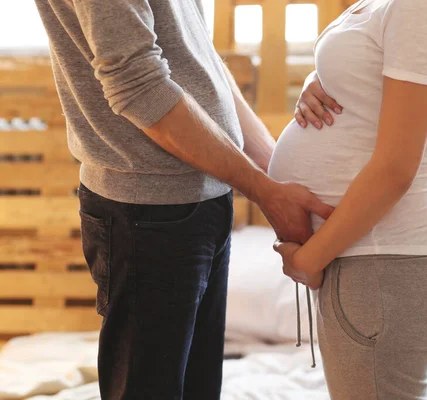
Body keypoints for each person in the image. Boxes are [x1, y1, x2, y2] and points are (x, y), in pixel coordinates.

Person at [34, 1, 333, 399]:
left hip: (204, 198)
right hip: (147, 213)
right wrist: (265, 191)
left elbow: (196, 57)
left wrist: (274, 175)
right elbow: (138, 86)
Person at [270, 0, 427, 398]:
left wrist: (307, 261)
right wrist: (323, 80)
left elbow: (395, 170)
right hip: (374, 266)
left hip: (383, 271)